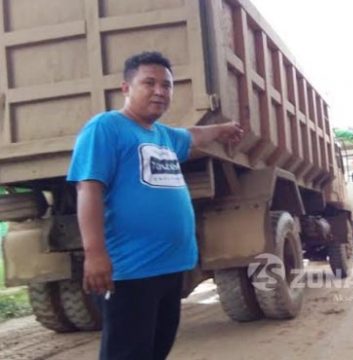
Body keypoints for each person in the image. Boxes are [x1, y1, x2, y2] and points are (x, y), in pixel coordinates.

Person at [67, 51, 244, 360]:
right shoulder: (107, 127)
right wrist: (95, 255)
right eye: (149, 83)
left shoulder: (162, 135)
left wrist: (223, 129)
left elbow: (194, 135)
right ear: (126, 88)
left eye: (167, 85)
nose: (160, 91)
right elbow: (88, 188)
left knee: (155, 351)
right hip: (131, 270)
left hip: (169, 267)